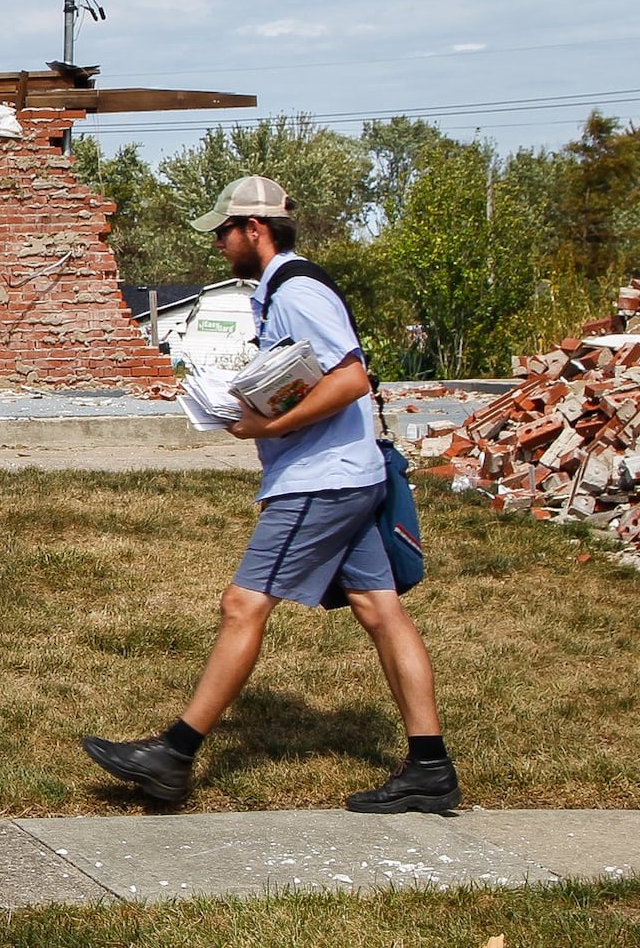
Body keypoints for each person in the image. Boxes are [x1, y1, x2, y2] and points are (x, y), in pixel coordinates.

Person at [81, 175, 460, 814]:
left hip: (321, 479)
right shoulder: (287, 288)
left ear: (253, 229)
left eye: (225, 233)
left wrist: (268, 425)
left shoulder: (296, 291)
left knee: (242, 604)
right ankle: (430, 768)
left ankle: (173, 755)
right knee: (380, 611)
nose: (220, 245)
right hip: (348, 472)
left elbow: (350, 380)